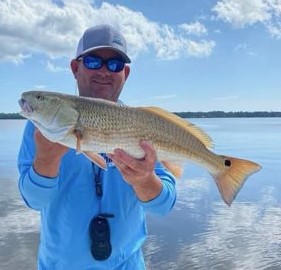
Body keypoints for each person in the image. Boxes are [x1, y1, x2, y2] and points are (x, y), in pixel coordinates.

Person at [18, 24, 176, 270]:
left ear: (125, 73)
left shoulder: (143, 126)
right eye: (93, 61)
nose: (104, 71)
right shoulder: (39, 130)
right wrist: (46, 162)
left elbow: (164, 206)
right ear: (75, 67)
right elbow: (33, 200)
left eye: (114, 65)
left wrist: (145, 180)